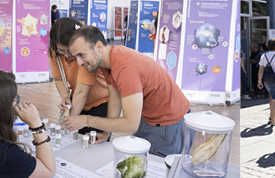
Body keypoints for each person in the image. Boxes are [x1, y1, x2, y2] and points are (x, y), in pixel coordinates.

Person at [63, 26, 190, 156]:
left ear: (99, 47)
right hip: (148, 116)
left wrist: (86, 120)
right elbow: (114, 98)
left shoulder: (125, 68)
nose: (78, 62)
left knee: (155, 166)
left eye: (81, 55)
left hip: (167, 120)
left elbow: (130, 124)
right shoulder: (109, 60)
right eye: (75, 56)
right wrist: (107, 132)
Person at [48, 18, 111, 142]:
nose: (67, 55)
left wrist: (68, 124)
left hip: (100, 102)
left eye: (70, 51)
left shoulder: (84, 54)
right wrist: (65, 97)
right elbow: (58, 78)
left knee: (93, 143)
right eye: (62, 50)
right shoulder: (54, 53)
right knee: (75, 141)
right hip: (77, 101)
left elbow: (82, 92)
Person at [257, 39, 275, 126]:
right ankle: (273, 121)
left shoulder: (263, 56)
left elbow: (261, 70)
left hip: (266, 80)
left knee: (271, 97)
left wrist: (259, 81)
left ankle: (270, 117)